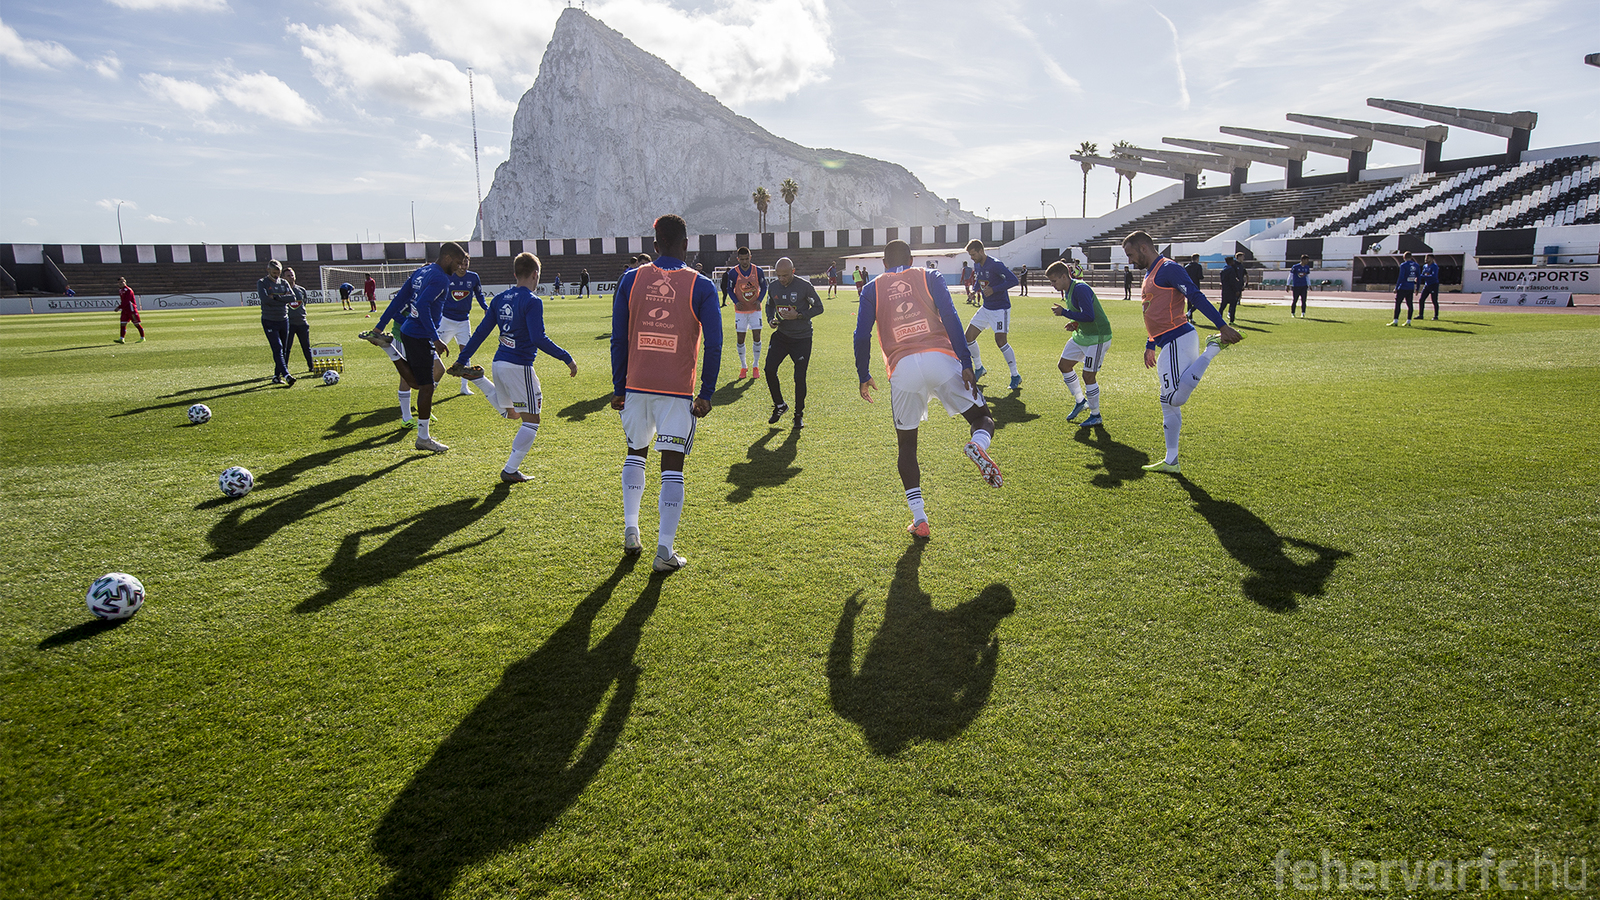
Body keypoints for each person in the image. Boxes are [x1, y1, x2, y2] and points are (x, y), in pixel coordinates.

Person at [855, 240, 1000, 538]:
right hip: (941, 360)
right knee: (982, 418)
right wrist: (966, 362)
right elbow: (951, 316)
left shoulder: (871, 288)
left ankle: (920, 518)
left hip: (902, 369)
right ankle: (978, 445)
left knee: (907, 446)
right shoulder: (929, 275)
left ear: (884, 264)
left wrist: (863, 374)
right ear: (911, 260)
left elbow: (861, 335)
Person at [611, 214, 723, 572]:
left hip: (636, 386)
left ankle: (631, 530)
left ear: (655, 245)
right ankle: (664, 551)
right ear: (686, 244)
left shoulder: (630, 279)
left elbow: (618, 338)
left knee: (635, 454)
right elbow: (715, 343)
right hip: (676, 391)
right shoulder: (701, 285)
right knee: (672, 467)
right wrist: (706, 392)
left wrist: (618, 387)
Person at [1121, 230, 1243, 474]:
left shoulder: (1168, 268)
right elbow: (1153, 311)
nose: (1129, 260)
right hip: (1167, 342)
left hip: (1179, 338)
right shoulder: (1150, 273)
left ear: (1144, 248)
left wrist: (1221, 326)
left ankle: (1212, 349)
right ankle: (1171, 461)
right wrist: (1150, 343)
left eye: (1130, 254)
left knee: (1175, 399)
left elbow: (1195, 295)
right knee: (1167, 402)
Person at [451, 252, 576, 483]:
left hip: (499, 363)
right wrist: (566, 357)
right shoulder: (532, 301)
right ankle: (510, 470)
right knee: (531, 421)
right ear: (535, 274)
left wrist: (463, 359)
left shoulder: (500, 298)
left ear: (515, 273)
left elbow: (480, 332)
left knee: (513, 413)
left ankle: (479, 379)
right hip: (519, 366)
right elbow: (538, 338)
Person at [398, 242, 472, 452]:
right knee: (424, 386)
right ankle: (423, 438)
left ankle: (390, 351)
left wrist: (380, 325)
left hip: (411, 331)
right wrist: (435, 338)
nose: (459, 267)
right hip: (419, 334)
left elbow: (404, 299)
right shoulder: (440, 277)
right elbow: (422, 305)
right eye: (458, 262)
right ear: (447, 258)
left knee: (428, 378)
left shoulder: (425, 271)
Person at [1047, 259, 1112, 429]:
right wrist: (1074, 323)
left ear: (1064, 276)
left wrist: (1064, 313)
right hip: (1083, 335)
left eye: (1054, 281)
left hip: (1097, 337)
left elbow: (1089, 316)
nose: (1052, 285)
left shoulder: (1080, 288)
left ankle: (1095, 415)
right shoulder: (1068, 290)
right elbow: (1081, 314)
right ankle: (1080, 401)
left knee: (1088, 376)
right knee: (1064, 365)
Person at [762, 257, 824, 429]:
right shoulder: (773, 286)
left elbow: (819, 307)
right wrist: (770, 319)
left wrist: (799, 315)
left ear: (793, 271)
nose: (782, 279)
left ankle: (798, 415)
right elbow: (769, 305)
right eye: (779, 275)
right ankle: (780, 405)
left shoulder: (804, 286)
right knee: (769, 369)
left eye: (785, 275)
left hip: (802, 338)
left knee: (799, 377)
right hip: (782, 336)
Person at [963, 239, 1023, 390]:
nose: (972, 258)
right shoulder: (977, 264)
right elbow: (979, 280)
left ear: (981, 251)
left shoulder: (995, 264)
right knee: (968, 337)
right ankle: (979, 368)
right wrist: (974, 291)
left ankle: (1015, 375)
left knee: (1000, 341)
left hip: (1000, 308)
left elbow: (1013, 280)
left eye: (973, 254)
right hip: (986, 307)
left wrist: (994, 289)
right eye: (970, 255)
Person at [441, 265, 489, 395]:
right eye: (460, 264)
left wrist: (485, 307)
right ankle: (431, 382)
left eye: (466, 264)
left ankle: (464, 387)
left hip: (463, 321)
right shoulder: (447, 276)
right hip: (446, 320)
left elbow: (479, 294)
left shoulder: (473, 277)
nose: (463, 267)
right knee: (436, 351)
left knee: (466, 352)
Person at [720, 246, 766, 378]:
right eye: (742, 259)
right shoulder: (733, 273)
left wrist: (759, 300)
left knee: (757, 337)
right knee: (740, 339)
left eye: (747, 259)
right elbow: (729, 290)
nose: (745, 262)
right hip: (740, 312)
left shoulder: (758, 271)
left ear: (750, 257)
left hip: (755, 310)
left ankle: (755, 365)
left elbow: (764, 287)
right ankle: (743, 366)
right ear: (738, 259)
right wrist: (735, 301)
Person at [256, 261, 296, 385]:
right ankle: (286, 375)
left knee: (284, 349)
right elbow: (265, 300)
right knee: (277, 348)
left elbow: (292, 298)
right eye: (274, 273)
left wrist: (276, 297)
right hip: (269, 320)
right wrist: (283, 299)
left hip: (283, 319)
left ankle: (276, 376)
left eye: (278, 273)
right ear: (268, 270)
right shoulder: (262, 283)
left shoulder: (283, 283)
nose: (276, 275)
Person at [284, 268, 315, 373]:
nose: (291, 277)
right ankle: (284, 369)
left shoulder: (301, 290)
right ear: (283, 278)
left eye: (292, 275)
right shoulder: (282, 291)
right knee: (286, 348)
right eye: (288, 276)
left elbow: (304, 303)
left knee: (306, 347)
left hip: (302, 322)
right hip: (288, 323)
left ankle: (311, 366)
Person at [1389, 251, 1420, 326]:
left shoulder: (1403, 265)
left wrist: (1396, 287)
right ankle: (1408, 321)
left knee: (1398, 303)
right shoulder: (1416, 265)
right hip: (1411, 287)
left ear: (1404, 257)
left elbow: (1401, 277)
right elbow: (1418, 277)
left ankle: (1395, 321)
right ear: (1411, 257)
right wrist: (1417, 288)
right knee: (1410, 304)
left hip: (1403, 287)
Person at [114, 276, 145, 343]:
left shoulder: (128, 290)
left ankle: (142, 338)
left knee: (136, 324)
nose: (120, 283)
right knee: (122, 324)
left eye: (122, 282)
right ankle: (122, 338)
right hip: (125, 310)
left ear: (125, 282)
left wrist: (119, 307)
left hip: (131, 310)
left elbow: (126, 301)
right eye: (119, 282)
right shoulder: (120, 290)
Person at [1219, 253, 1246, 325]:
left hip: (1225, 290)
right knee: (1233, 305)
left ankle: (1219, 318)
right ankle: (1231, 320)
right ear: (1231, 262)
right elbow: (1232, 281)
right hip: (1231, 291)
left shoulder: (1223, 270)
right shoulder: (1231, 270)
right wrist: (1236, 290)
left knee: (1223, 305)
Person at [1417, 254, 1440, 320]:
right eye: (1425, 258)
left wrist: (1423, 276)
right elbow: (1422, 274)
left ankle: (1436, 316)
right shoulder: (1425, 266)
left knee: (1434, 300)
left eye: (1428, 258)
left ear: (1432, 259)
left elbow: (1434, 276)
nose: (1426, 259)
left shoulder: (1434, 266)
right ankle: (1421, 315)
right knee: (1421, 299)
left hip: (1433, 285)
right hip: (1427, 285)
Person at [1184, 255, 1205, 322]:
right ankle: (1190, 312)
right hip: (1195, 285)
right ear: (1197, 259)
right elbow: (1200, 276)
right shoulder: (1198, 266)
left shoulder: (1187, 266)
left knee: (1189, 302)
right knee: (1198, 301)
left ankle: (1190, 317)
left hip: (1188, 285)